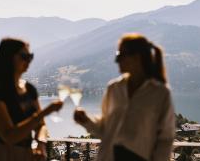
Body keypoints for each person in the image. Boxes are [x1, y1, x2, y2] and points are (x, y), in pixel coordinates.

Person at [74, 33, 175, 161]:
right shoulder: (113, 88)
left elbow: (165, 140)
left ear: (136, 58)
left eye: (120, 55)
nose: (117, 61)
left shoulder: (160, 93)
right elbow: (105, 131)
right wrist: (85, 121)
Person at [0, 38, 63, 161]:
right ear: (8, 57)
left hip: (26, 154)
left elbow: (41, 126)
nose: (28, 60)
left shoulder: (29, 89)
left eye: (30, 56)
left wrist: (40, 144)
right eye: (24, 56)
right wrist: (44, 113)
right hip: (2, 154)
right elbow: (9, 136)